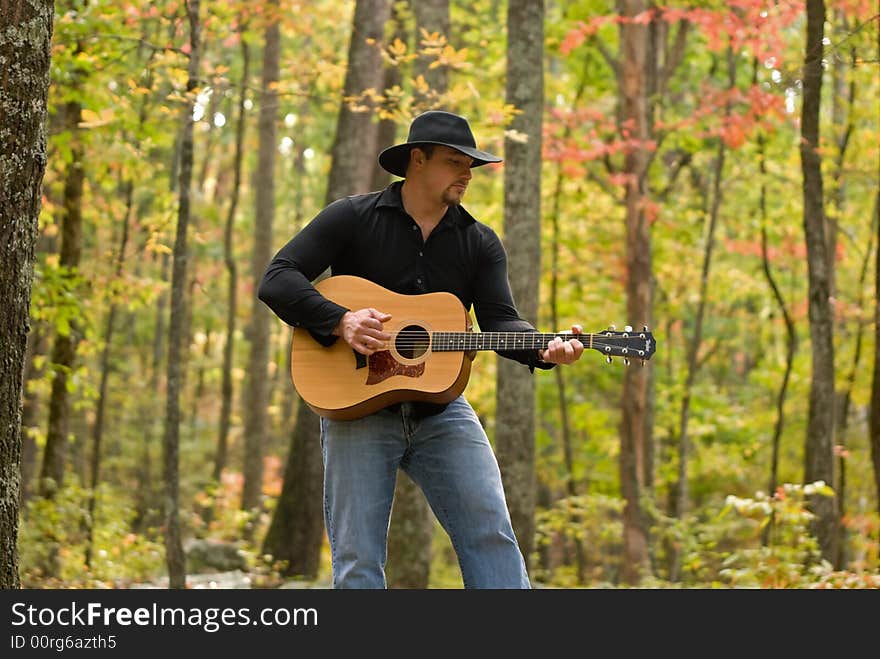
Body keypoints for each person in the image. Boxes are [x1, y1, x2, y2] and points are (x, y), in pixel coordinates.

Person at [258, 110, 585, 589]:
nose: (466, 175)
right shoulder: (352, 218)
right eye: (455, 162)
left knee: (491, 533)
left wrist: (543, 349)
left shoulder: (479, 242)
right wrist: (341, 320)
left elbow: (500, 321)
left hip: (442, 411)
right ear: (417, 159)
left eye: (471, 165)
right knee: (358, 560)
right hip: (356, 409)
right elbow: (277, 277)